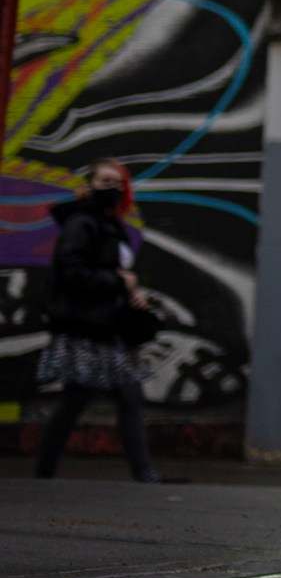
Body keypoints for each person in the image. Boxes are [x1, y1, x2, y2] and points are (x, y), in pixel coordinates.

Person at [34, 160, 168, 482]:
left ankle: (141, 471)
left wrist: (133, 291)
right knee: (86, 397)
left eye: (118, 182)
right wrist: (118, 282)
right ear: (89, 184)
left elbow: (116, 272)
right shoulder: (81, 223)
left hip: (109, 325)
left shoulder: (109, 224)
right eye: (105, 181)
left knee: (118, 395)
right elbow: (73, 273)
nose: (112, 188)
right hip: (86, 327)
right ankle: (46, 472)